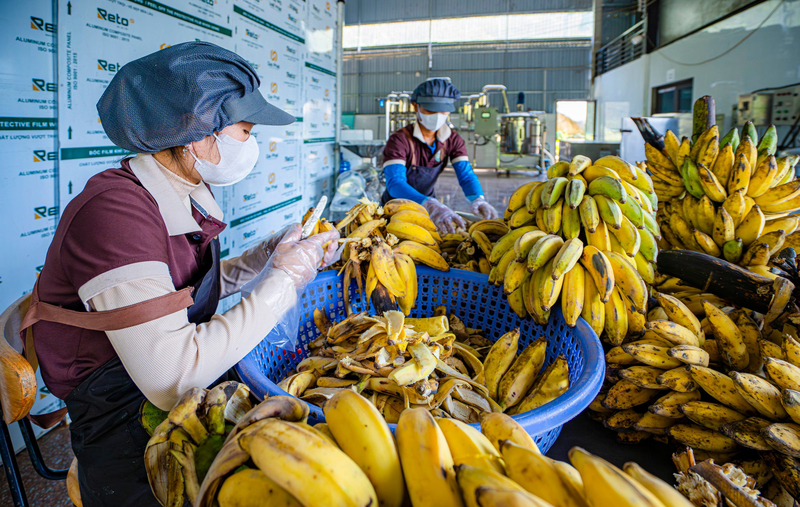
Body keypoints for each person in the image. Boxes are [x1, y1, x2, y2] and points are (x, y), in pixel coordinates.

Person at [19, 42, 340, 506]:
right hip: (119, 410)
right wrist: (284, 283)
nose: (253, 145)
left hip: (162, 379)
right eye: (245, 131)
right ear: (197, 136)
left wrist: (270, 258)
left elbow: (185, 290)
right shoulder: (115, 214)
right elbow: (170, 377)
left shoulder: (179, 187)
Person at [382, 78, 499, 233]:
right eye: (430, 110)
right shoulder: (400, 140)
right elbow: (395, 183)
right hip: (395, 208)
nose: (437, 115)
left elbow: (466, 175)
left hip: (431, 207)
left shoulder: (452, 140)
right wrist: (428, 203)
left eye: (442, 111)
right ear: (416, 106)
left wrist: (478, 198)